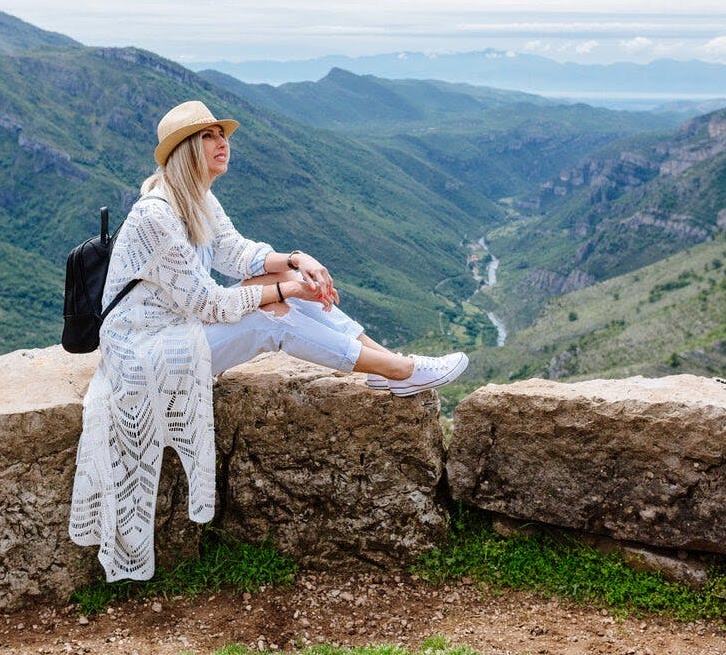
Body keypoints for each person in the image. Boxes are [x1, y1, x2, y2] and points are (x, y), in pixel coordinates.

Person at [68, 100, 468, 581]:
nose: (224, 144)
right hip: (147, 352)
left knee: (288, 299)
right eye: (210, 137)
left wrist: (297, 261)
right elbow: (209, 304)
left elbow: (237, 254)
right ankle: (401, 373)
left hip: (177, 331)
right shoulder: (156, 216)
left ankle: (391, 363)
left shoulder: (197, 198)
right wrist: (280, 290)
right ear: (185, 151)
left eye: (224, 135)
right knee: (270, 320)